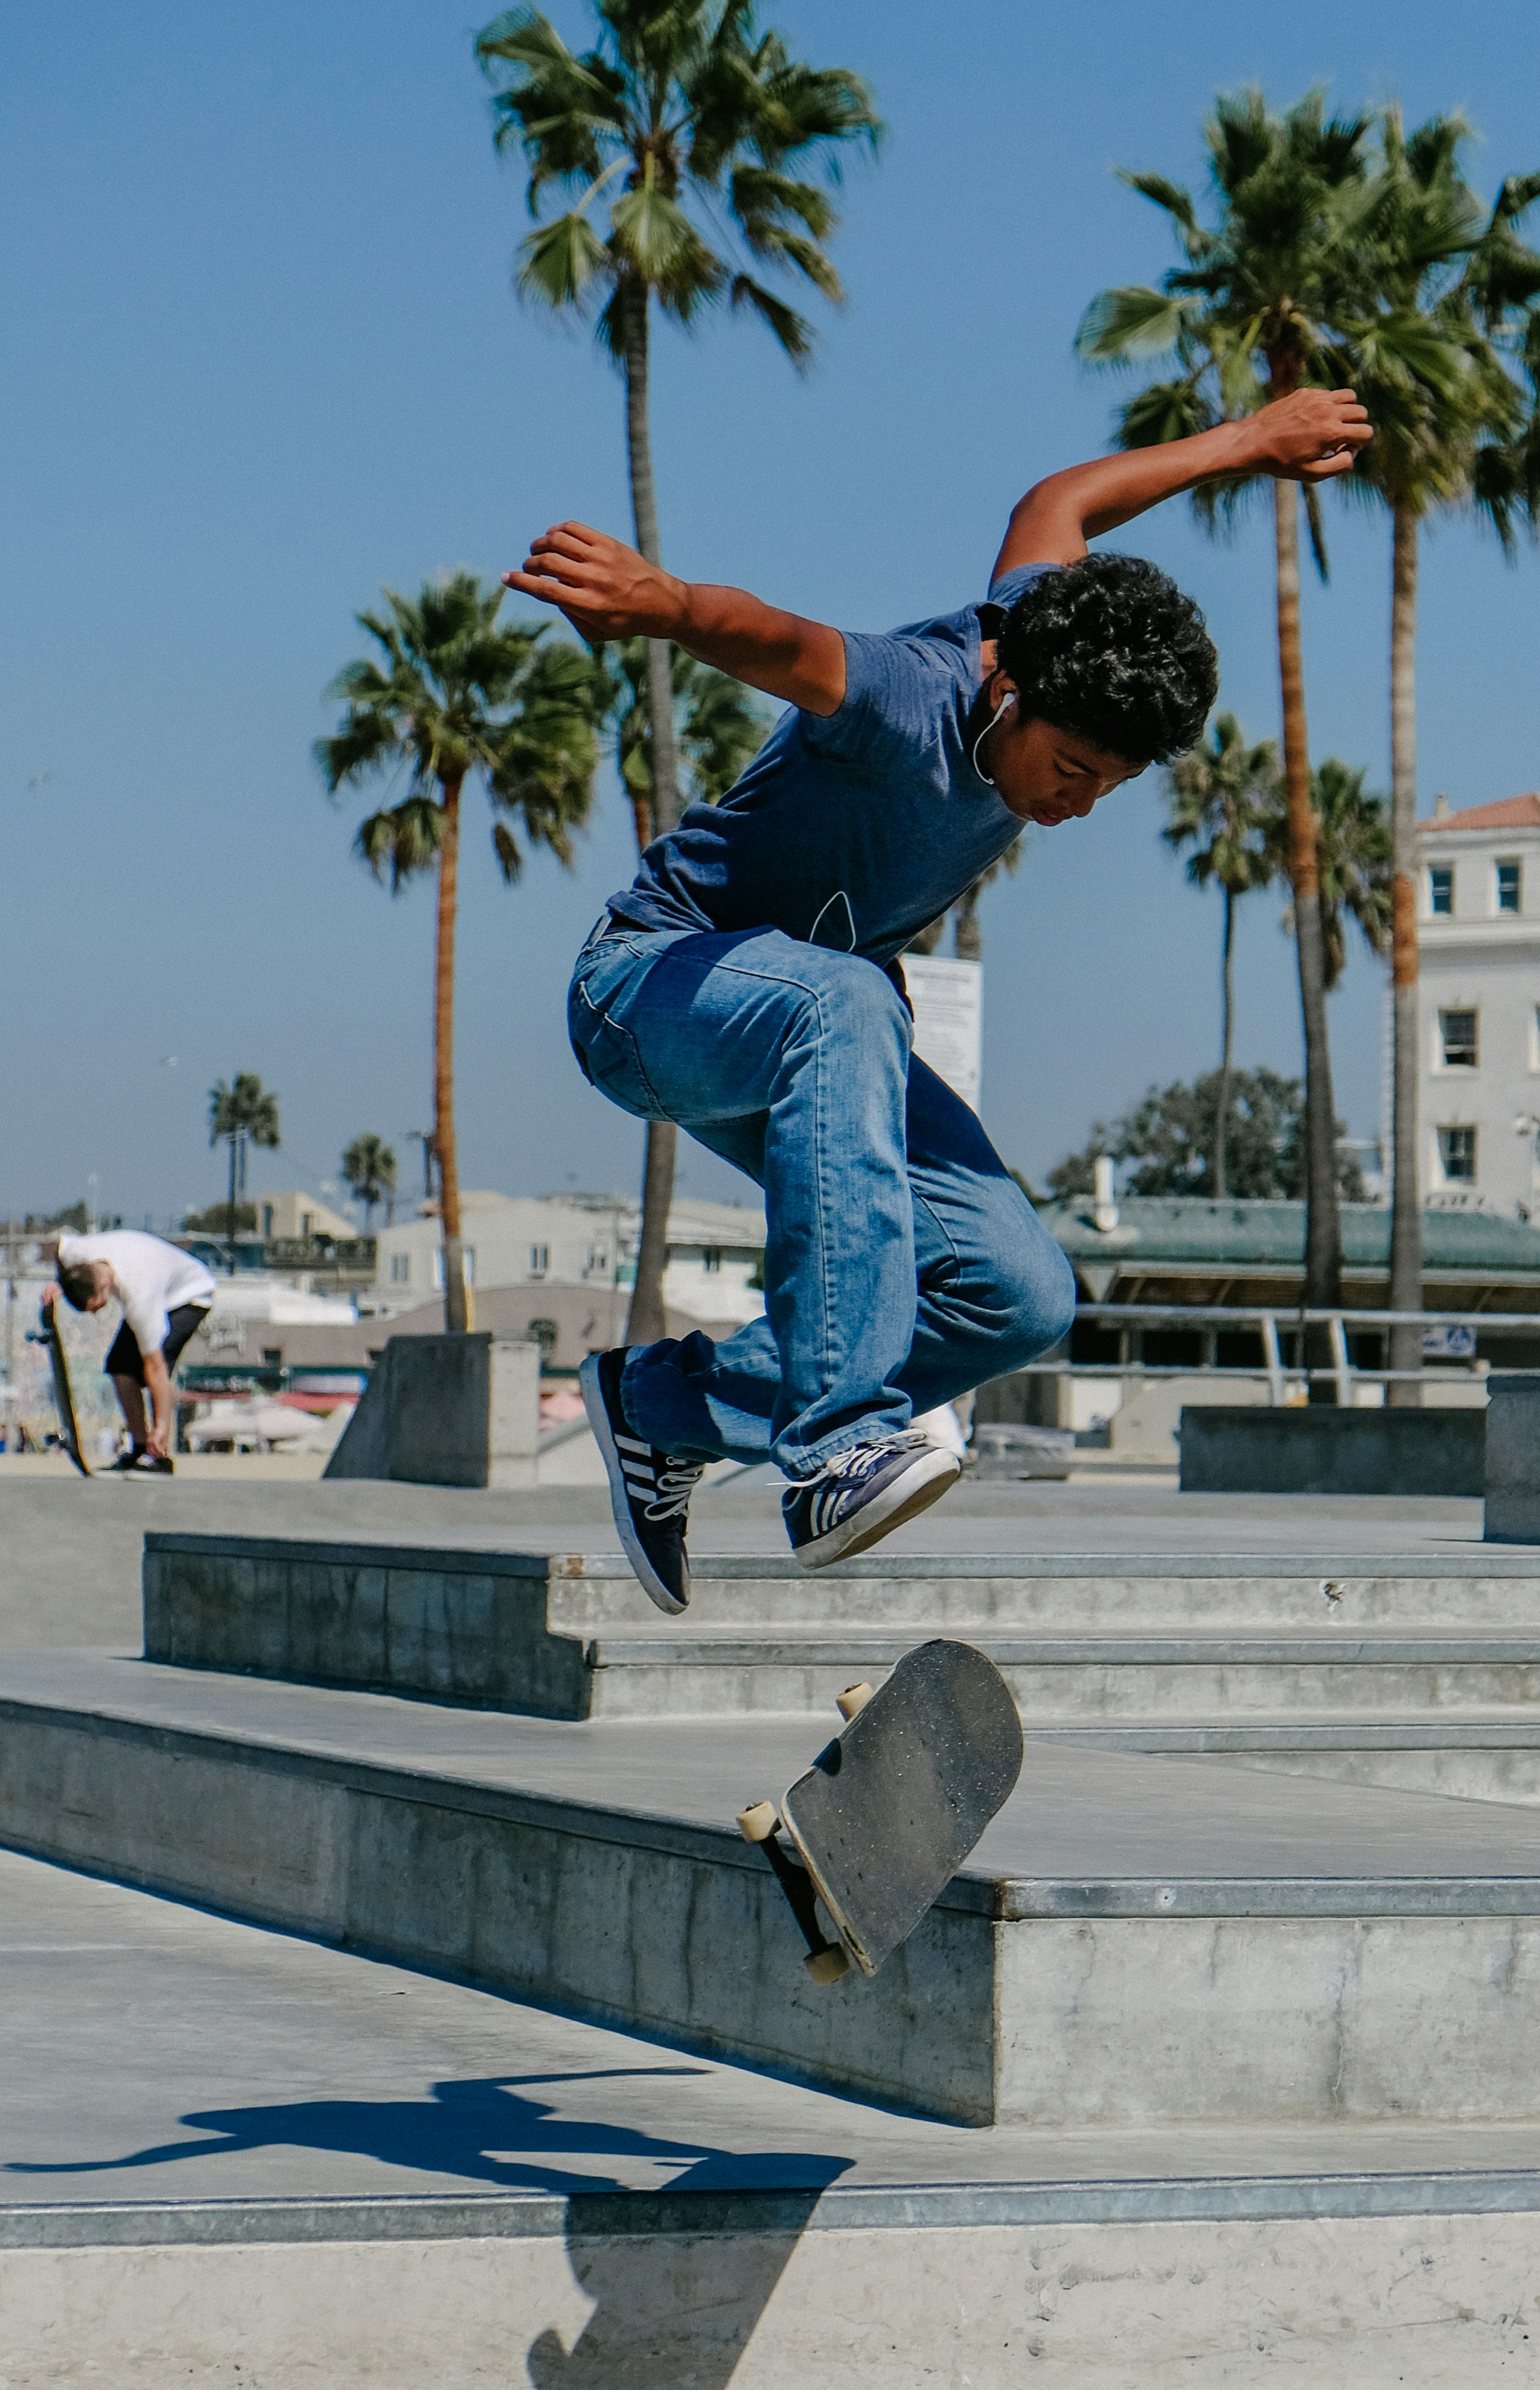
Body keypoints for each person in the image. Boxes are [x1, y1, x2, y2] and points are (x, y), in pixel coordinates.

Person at [508, 386, 1370, 1613]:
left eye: (1104, 790)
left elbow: (1058, 502)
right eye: (1068, 769)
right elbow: (782, 641)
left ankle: (660, 1407)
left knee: (1019, 1292)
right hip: (651, 989)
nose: (1072, 806)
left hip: (814, 1040)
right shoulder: (911, 696)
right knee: (853, 999)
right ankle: (833, 1447)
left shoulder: (1041, 618)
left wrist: (1250, 440)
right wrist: (667, 604)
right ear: (1010, 695)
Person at [48, 1226, 217, 1473]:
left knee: (154, 1368)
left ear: (100, 1290)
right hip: (153, 1277)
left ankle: (160, 1454)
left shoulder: (140, 1297)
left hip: (189, 1296)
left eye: (93, 1308)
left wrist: (161, 1426)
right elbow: (59, 1248)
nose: (96, 1313)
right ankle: (139, 1447)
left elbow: (156, 1367)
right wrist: (59, 1284)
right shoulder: (76, 1255)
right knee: (119, 1367)